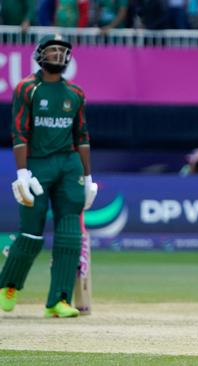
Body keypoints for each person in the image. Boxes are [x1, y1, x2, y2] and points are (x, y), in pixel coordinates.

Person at [0, 34, 98, 318]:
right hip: (37, 165)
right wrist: (21, 173)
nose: (58, 55)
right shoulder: (27, 88)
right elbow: (19, 132)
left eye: (62, 51)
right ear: (40, 55)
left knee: (70, 234)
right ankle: (8, 284)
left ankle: (59, 300)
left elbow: (82, 136)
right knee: (31, 232)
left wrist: (89, 177)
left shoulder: (75, 93)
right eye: (52, 50)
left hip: (69, 165)